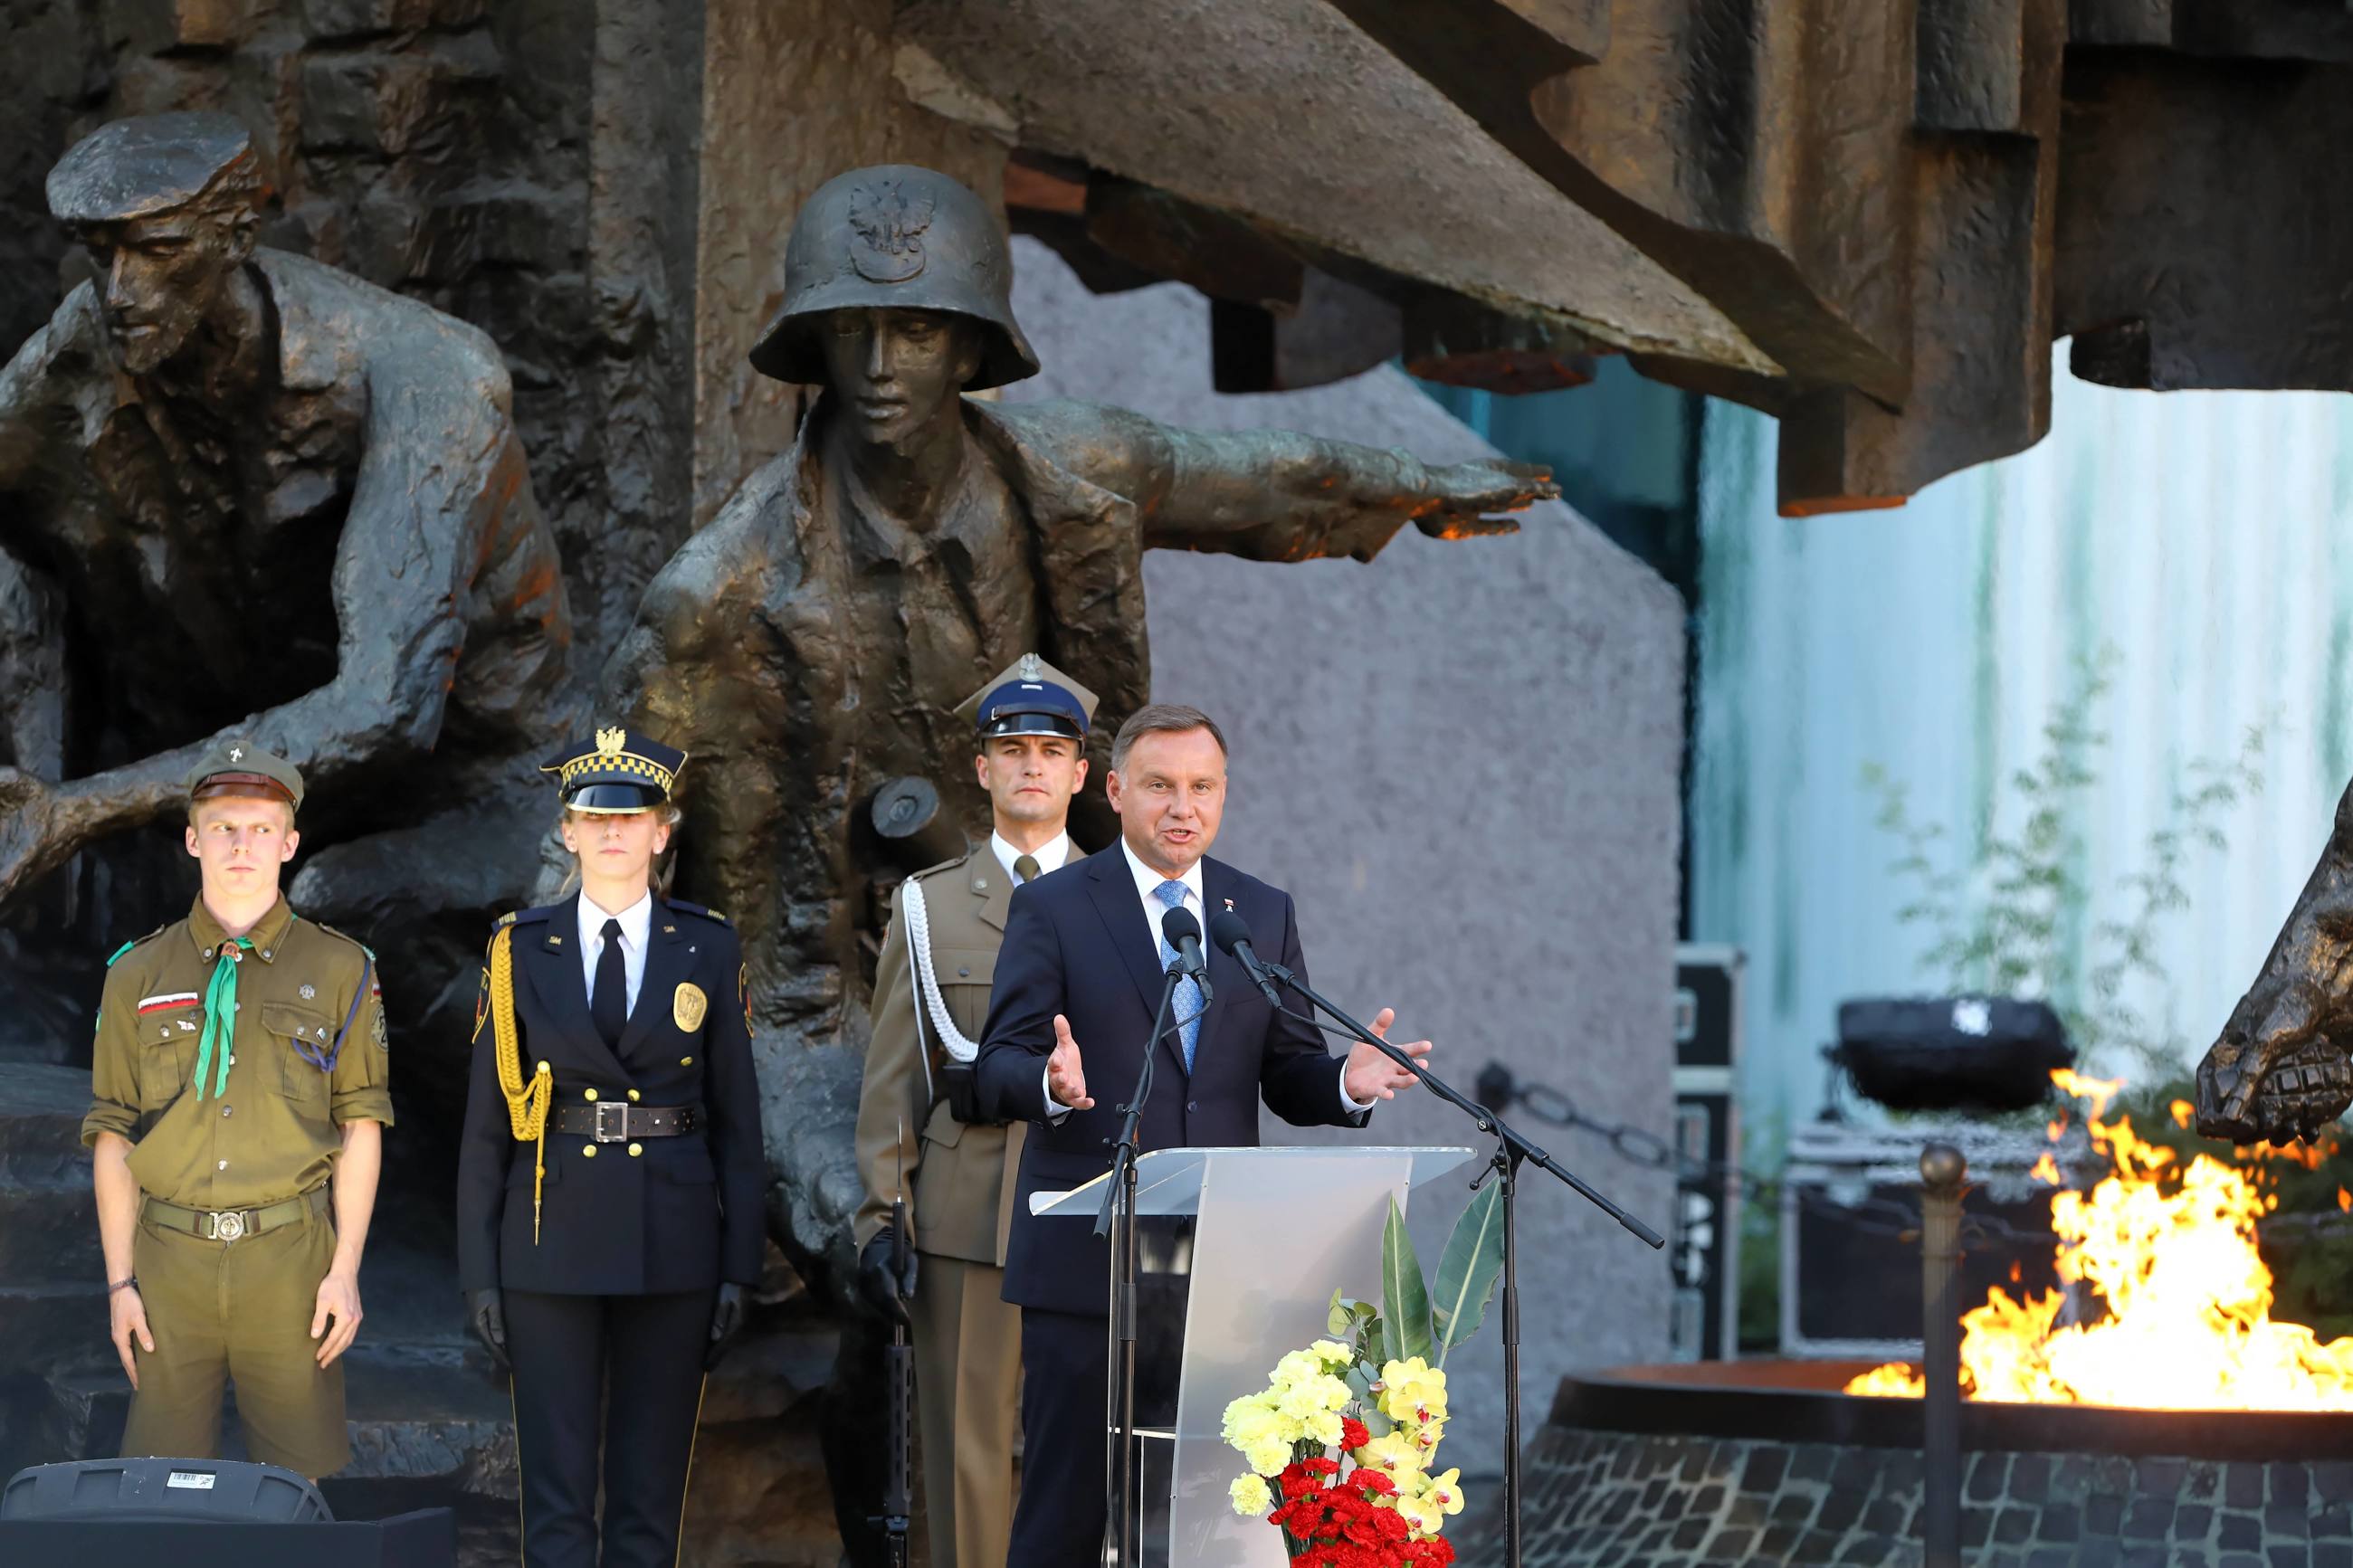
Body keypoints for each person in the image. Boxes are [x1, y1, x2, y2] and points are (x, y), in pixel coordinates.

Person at [0, 112, 570, 1045]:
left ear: (234, 238)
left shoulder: (429, 374)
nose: (119, 291)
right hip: (239, 806)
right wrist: (37, 760)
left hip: (469, 799)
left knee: (338, 909)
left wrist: (82, 807)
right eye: (99, 256)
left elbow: (384, 708)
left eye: (157, 251)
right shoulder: (92, 341)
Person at [973, 704, 1432, 1566]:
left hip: (1218, 1268)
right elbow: (997, 1062)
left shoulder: (1256, 909)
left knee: (1199, 1514)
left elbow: (1287, 1072)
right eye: (1160, 785)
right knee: (1064, 1511)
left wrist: (1343, 1080)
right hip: (1086, 1261)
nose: (1183, 805)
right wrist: (1052, 1084)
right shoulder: (1055, 906)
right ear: (1114, 791)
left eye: (1202, 787)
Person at [454, 726, 766, 1568]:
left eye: (635, 818)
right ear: (568, 830)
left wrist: (741, 1264)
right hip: (550, 1238)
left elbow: (739, 1121)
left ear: (664, 831)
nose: (614, 832)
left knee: (647, 1500)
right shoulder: (518, 949)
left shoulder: (709, 944)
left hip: (673, 1243)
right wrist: (481, 1272)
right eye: (595, 817)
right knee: (555, 1503)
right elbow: (486, 1128)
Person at [81, 740, 391, 1478]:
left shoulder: (342, 968)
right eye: (222, 826)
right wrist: (121, 1284)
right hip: (169, 1269)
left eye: (260, 827)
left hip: (290, 1264)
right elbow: (113, 1134)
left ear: (289, 841)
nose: (241, 844)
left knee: (298, 1493)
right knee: (161, 1493)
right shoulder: (135, 974)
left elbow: (361, 1126)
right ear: (192, 839)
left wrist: (344, 1269)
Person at [853, 653, 1100, 1568]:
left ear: (1080, 772)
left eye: (1050, 749)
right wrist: (880, 1213)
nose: (1030, 765)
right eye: (1012, 749)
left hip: (1092, 1208)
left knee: (1086, 1452)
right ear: (980, 769)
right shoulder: (928, 904)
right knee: (966, 1458)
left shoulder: (1127, 898)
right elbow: (895, 1076)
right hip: (966, 1214)